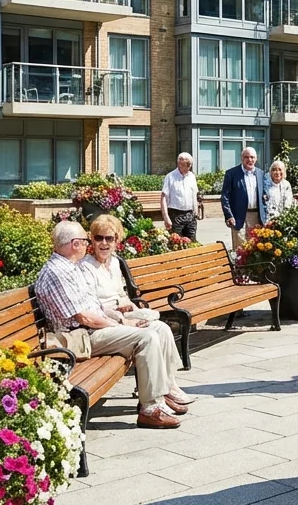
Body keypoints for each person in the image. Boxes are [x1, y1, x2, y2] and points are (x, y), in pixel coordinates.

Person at [34, 221, 188, 430]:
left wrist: (122, 320)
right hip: (82, 338)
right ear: (75, 244)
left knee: (159, 328)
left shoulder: (69, 268)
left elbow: (94, 308)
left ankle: (161, 393)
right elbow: (85, 319)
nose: (89, 244)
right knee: (146, 337)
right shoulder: (58, 273)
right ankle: (150, 409)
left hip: (95, 329)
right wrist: (123, 324)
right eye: (87, 240)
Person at [80, 215, 193, 405]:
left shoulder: (114, 262)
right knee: (150, 335)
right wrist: (119, 312)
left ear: (117, 240)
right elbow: (93, 306)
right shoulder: (86, 267)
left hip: (124, 314)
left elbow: (120, 293)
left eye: (109, 238)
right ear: (92, 239)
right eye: (99, 238)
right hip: (107, 321)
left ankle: (169, 384)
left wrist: (128, 305)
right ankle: (155, 397)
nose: (104, 243)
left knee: (163, 329)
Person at [221, 147, 271, 250]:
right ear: (241, 158)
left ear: (256, 159)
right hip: (238, 217)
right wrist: (228, 215)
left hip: (257, 217)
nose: (249, 160)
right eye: (246, 157)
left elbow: (265, 195)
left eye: (252, 157)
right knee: (240, 248)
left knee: (255, 248)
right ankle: (240, 267)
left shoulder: (261, 174)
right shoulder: (231, 174)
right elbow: (225, 197)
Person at [162, 153, 202, 242]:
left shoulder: (191, 176)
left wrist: (195, 211)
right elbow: (163, 198)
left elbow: (194, 194)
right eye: (187, 165)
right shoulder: (170, 177)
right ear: (179, 163)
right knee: (176, 242)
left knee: (191, 242)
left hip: (190, 214)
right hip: (175, 214)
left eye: (190, 165)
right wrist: (166, 217)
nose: (189, 167)